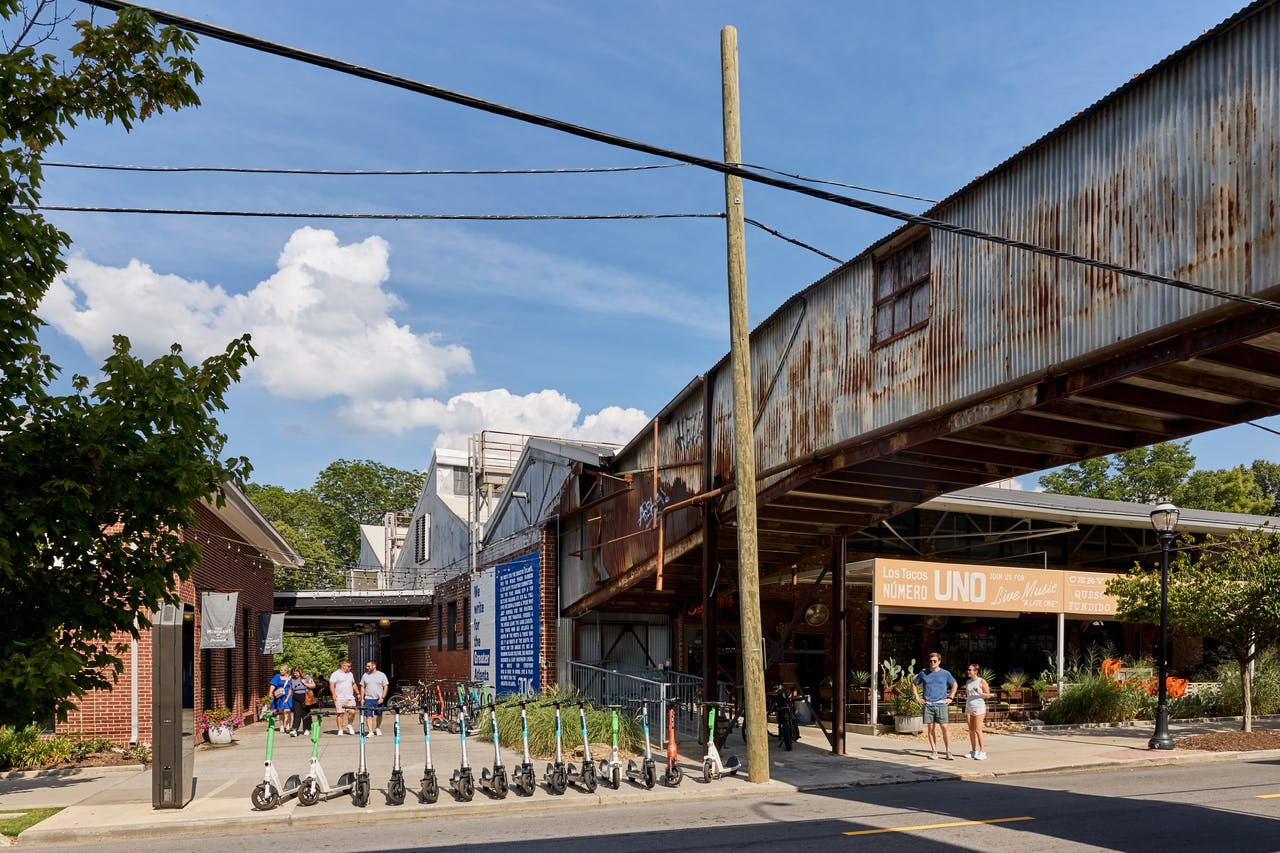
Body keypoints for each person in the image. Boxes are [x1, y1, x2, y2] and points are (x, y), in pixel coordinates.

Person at [911, 651, 957, 760]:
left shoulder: (945, 673)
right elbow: (914, 684)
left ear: (939, 661)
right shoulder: (923, 673)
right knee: (931, 728)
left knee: (944, 728)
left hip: (941, 704)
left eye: (935, 661)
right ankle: (934, 751)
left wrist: (950, 697)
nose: (932, 663)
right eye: (931, 661)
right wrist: (917, 697)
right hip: (928, 705)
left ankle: (948, 751)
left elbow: (954, 684)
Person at [963, 664, 992, 760]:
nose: (968, 671)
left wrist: (979, 693)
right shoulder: (968, 682)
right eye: (968, 669)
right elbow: (969, 695)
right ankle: (973, 751)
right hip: (968, 707)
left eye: (970, 670)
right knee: (971, 731)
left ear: (975, 671)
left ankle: (982, 752)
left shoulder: (981, 681)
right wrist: (964, 697)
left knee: (978, 730)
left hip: (979, 707)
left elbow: (988, 695)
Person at [359, 659, 390, 736]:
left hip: (378, 699)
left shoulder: (381, 675)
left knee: (379, 714)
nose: (367, 667)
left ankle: (378, 728)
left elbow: (385, 687)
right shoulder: (365, 675)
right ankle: (370, 731)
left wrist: (382, 697)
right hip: (368, 699)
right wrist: (362, 698)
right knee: (368, 715)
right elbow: (362, 687)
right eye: (366, 666)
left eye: (368, 666)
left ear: (374, 666)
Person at [329, 659, 358, 735]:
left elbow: (353, 684)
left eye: (350, 666)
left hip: (350, 697)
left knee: (352, 712)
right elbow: (331, 684)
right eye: (349, 666)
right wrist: (334, 694)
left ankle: (349, 725)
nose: (350, 668)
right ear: (343, 666)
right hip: (340, 697)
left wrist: (358, 693)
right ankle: (340, 730)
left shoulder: (350, 674)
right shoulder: (335, 674)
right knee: (340, 714)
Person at [288, 667, 316, 736]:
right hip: (295, 697)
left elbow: (313, 686)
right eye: (294, 673)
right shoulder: (292, 679)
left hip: (304, 696)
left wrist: (305, 683)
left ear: (300, 672)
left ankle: (307, 729)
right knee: (297, 713)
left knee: (305, 713)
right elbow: (291, 689)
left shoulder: (307, 677)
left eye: (296, 673)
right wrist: (287, 698)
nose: (295, 674)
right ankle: (294, 729)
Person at [268, 663, 293, 733]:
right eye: (280, 670)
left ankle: (288, 726)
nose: (280, 671)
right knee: (281, 711)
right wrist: (270, 693)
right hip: (280, 696)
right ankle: (281, 726)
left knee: (287, 711)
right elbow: (273, 685)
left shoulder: (290, 677)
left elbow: (292, 687)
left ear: (286, 671)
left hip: (288, 695)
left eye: (282, 670)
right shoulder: (277, 676)